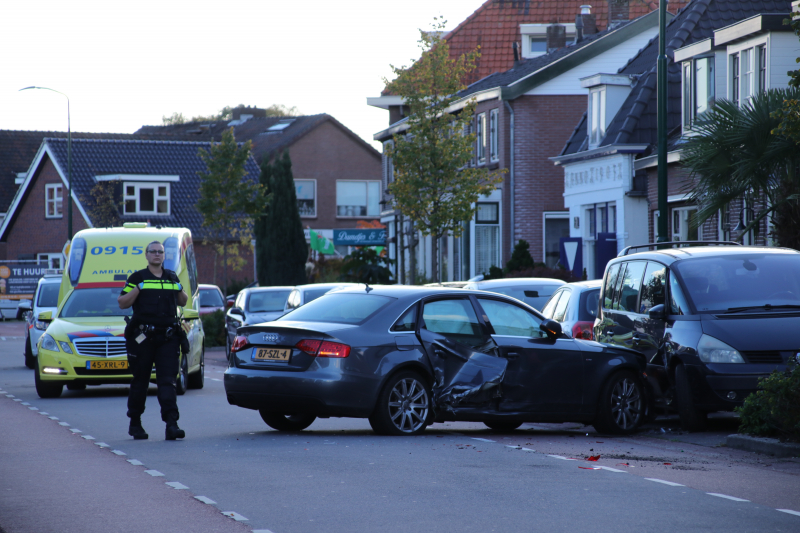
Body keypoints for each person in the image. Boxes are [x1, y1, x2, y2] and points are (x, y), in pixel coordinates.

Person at [118, 240, 188, 440]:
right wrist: (139, 288)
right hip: (143, 339)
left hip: (168, 338)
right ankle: (135, 423)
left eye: (160, 252)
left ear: (164, 256)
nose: (157, 254)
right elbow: (122, 303)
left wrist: (178, 287)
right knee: (141, 381)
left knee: (168, 381)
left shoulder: (171, 277)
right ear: (147, 255)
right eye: (153, 251)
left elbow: (183, 301)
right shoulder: (137, 277)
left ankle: (172, 424)